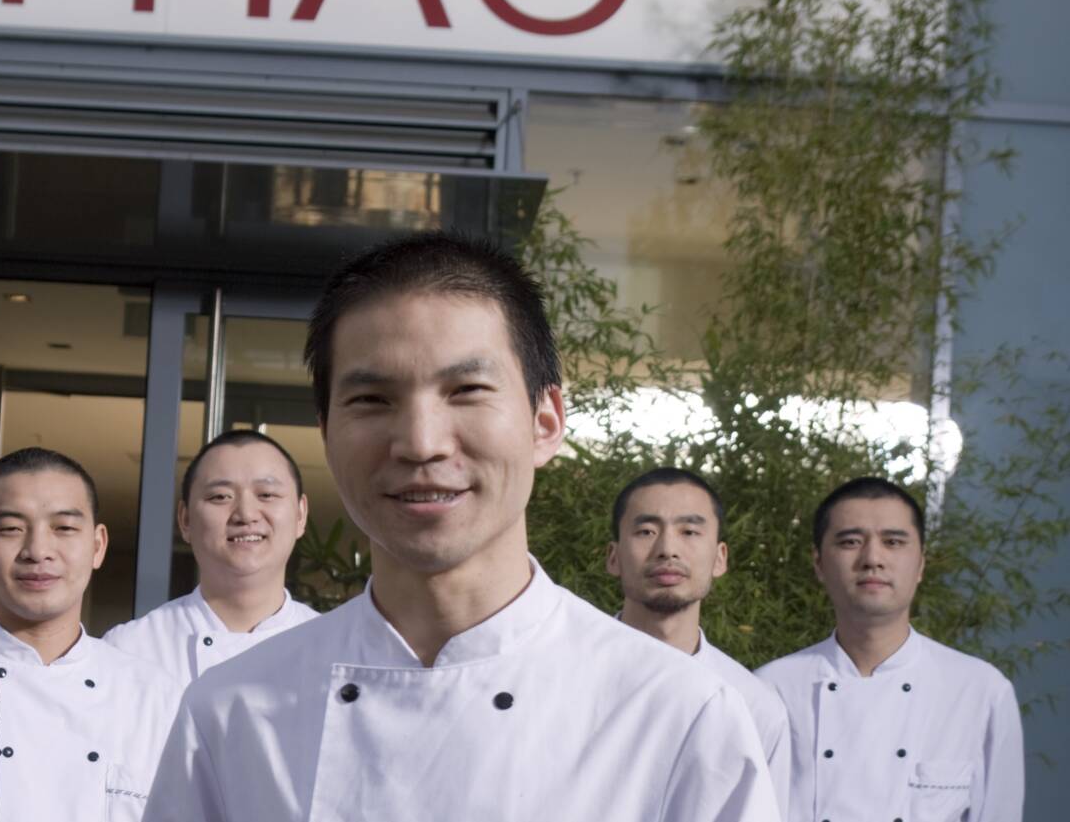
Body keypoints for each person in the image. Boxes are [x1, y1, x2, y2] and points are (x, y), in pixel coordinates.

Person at [143, 232, 781, 822]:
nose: (420, 443)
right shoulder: (231, 714)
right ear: (327, 432)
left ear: (546, 421)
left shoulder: (678, 715)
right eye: (372, 399)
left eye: (467, 390)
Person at [757, 477, 1024, 822]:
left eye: (893, 541)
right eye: (851, 541)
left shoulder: (981, 690)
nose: (873, 558)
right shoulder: (770, 688)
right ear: (819, 564)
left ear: (921, 564)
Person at [0, 447, 181, 821]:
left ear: (97, 546)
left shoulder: (154, 696)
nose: (38, 551)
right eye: (12, 529)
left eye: (64, 528)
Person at [606, 467, 791, 815]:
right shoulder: (564, 676)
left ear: (720, 558)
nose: (667, 549)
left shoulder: (755, 706)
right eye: (646, 531)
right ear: (613, 557)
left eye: (689, 531)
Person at [101, 429, 317, 684]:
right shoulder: (129, 649)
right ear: (185, 520)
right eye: (220, 497)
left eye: (267, 495)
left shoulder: (333, 646)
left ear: (300, 515)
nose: (246, 514)